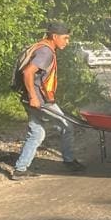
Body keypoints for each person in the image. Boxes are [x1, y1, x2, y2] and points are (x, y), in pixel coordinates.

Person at [11, 21, 85, 180]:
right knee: (67, 126)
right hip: (39, 100)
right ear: (55, 36)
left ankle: (20, 169)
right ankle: (69, 161)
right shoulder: (46, 52)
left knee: (37, 132)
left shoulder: (40, 47)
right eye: (65, 38)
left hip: (32, 98)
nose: (67, 42)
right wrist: (33, 97)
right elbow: (28, 73)